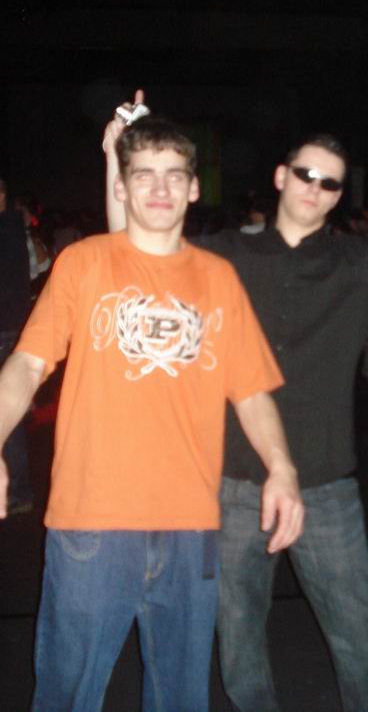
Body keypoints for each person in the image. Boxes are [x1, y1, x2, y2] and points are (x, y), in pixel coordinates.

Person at [105, 92, 368, 712]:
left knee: (360, 635)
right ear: (281, 177)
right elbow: (133, 246)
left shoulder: (355, 262)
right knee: (238, 638)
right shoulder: (226, 254)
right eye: (305, 174)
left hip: (324, 482)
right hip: (232, 482)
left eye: (330, 183)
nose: (315, 189)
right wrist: (118, 158)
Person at [0, 113, 303, 710]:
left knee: (181, 698)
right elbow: (27, 366)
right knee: (67, 696)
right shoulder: (83, 263)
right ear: (122, 185)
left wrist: (283, 468)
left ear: (194, 187)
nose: (160, 188)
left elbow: (251, 391)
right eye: (144, 174)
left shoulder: (218, 278)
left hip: (191, 526)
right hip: (92, 522)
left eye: (174, 175)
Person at [0, 177, 33, 514]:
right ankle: (19, 489)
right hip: (12, 326)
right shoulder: (14, 228)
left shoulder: (6, 229)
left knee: (8, 411)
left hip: (4, 329)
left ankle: (19, 490)